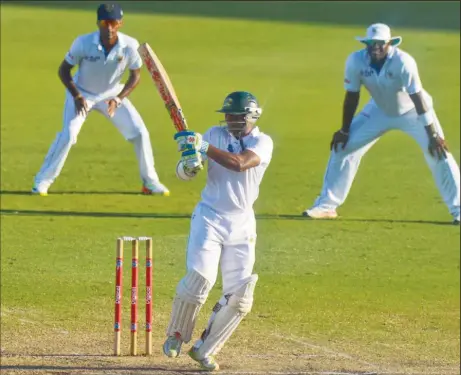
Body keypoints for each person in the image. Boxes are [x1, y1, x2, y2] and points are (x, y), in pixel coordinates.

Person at [303, 23, 460, 224]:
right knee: (343, 146)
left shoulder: (404, 62)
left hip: (413, 111)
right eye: (371, 43)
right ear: (366, 44)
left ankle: (459, 210)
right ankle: (326, 206)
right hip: (378, 110)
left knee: (438, 152)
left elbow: (418, 98)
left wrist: (433, 135)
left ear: (389, 44)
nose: (375, 48)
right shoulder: (356, 61)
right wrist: (344, 130)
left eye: (380, 44)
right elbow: (352, 96)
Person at [162, 91, 273, 371]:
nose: (230, 120)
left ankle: (205, 350)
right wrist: (188, 166)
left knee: (241, 297)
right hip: (209, 218)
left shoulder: (263, 141)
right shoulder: (214, 133)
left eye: (236, 116)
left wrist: (204, 147)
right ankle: (176, 334)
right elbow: (186, 170)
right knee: (200, 278)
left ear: (251, 116)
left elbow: (240, 163)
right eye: (228, 115)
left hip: (242, 224)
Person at [31, 3, 169, 196]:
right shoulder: (83, 43)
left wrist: (118, 99)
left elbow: (135, 76)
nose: (109, 28)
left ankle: (150, 183)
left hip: (111, 95)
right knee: (69, 134)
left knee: (140, 133)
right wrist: (77, 96)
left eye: (113, 22)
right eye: (105, 23)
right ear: (98, 23)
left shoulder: (129, 45)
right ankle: (42, 181)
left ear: (120, 23)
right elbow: (63, 70)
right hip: (81, 93)